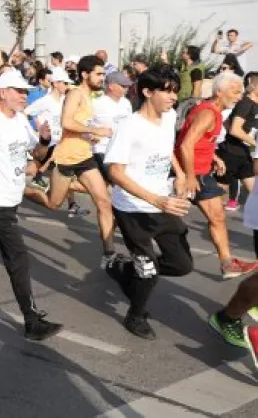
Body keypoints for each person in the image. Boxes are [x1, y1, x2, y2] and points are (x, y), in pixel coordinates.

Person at [0, 70, 63, 340]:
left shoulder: (20, 120)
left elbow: (37, 154)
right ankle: (32, 321)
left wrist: (43, 140)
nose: (24, 96)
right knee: (17, 257)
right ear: (3, 92)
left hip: (10, 199)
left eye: (26, 92)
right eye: (18, 91)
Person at [103, 67, 193, 339]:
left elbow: (166, 151)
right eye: (167, 90)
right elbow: (115, 172)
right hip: (133, 209)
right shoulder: (129, 127)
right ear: (147, 92)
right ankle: (135, 316)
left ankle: (125, 268)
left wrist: (179, 174)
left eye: (175, 91)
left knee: (181, 265)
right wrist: (156, 199)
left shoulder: (168, 119)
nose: (173, 97)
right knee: (149, 272)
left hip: (163, 203)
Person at [176, 72, 258, 279]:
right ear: (219, 91)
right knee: (161, 220)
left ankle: (227, 263)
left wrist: (214, 157)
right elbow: (185, 145)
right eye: (235, 91)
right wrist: (190, 176)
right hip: (190, 174)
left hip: (202, 172)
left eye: (240, 92)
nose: (239, 97)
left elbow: (199, 140)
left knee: (218, 217)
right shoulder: (208, 113)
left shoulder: (216, 112)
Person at [38, 57, 117, 264]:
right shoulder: (75, 94)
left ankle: (109, 253)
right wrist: (95, 129)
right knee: (54, 203)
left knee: (104, 202)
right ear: (84, 74)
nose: (102, 78)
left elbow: (77, 125)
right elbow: (66, 122)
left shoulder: (89, 97)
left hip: (84, 157)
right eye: (98, 74)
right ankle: (24, 188)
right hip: (66, 158)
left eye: (103, 74)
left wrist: (89, 136)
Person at [217, 72, 258, 210]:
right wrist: (255, 143)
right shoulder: (246, 103)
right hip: (231, 154)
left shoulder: (253, 104)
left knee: (255, 194)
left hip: (244, 154)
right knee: (215, 198)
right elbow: (234, 129)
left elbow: (227, 123)